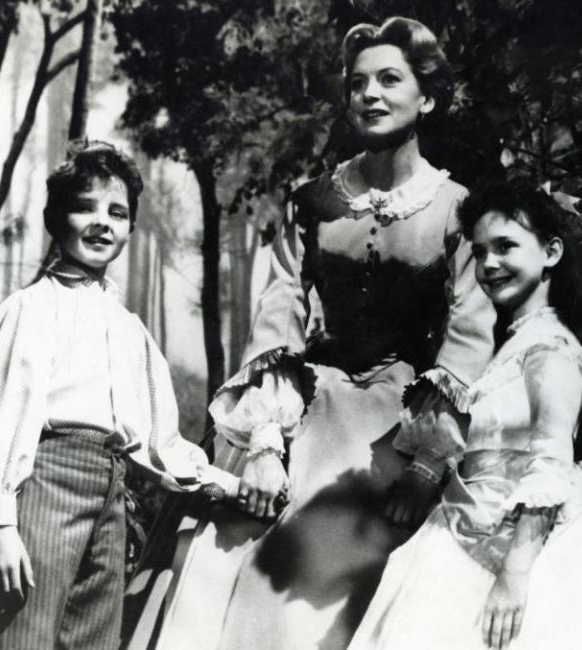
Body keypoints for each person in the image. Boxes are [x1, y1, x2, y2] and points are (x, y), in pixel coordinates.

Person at [139, 17, 496, 650]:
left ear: (428, 98)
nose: (371, 94)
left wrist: (426, 465)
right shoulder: (313, 201)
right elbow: (279, 309)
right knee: (238, 538)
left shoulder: (456, 209)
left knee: (369, 553)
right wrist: (265, 441)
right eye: (359, 83)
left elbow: (470, 327)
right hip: (312, 397)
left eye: (390, 79)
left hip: (402, 415)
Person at [346, 182, 582, 650]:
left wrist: (515, 573)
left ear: (551, 252)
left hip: (529, 543)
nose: (489, 265)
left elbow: (552, 458)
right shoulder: (512, 346)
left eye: (505, 247)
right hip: (466, 526)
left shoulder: (550, 347)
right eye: (479, 253)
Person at [0, 139, 234, 650]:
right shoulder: (32, 309)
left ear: (131, 228)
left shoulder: (128, 328)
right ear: (55, 218)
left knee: (94, 639)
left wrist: (223, 484)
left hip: (111, 491)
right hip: (44, 483)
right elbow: (4, 412)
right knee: (20, 635)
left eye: (117, 212)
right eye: (83, 207)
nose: (101, 223)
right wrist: (0, 521)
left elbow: (159, 442)